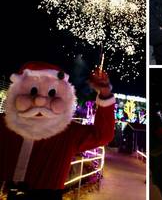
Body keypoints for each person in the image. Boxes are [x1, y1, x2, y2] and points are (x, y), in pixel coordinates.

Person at [0, 62, 115, 200]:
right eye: (33, 91)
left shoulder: (68, 132)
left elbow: (102, 135)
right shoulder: (6, 125)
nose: (40, 100)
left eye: (51, 94)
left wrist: (105, 93)